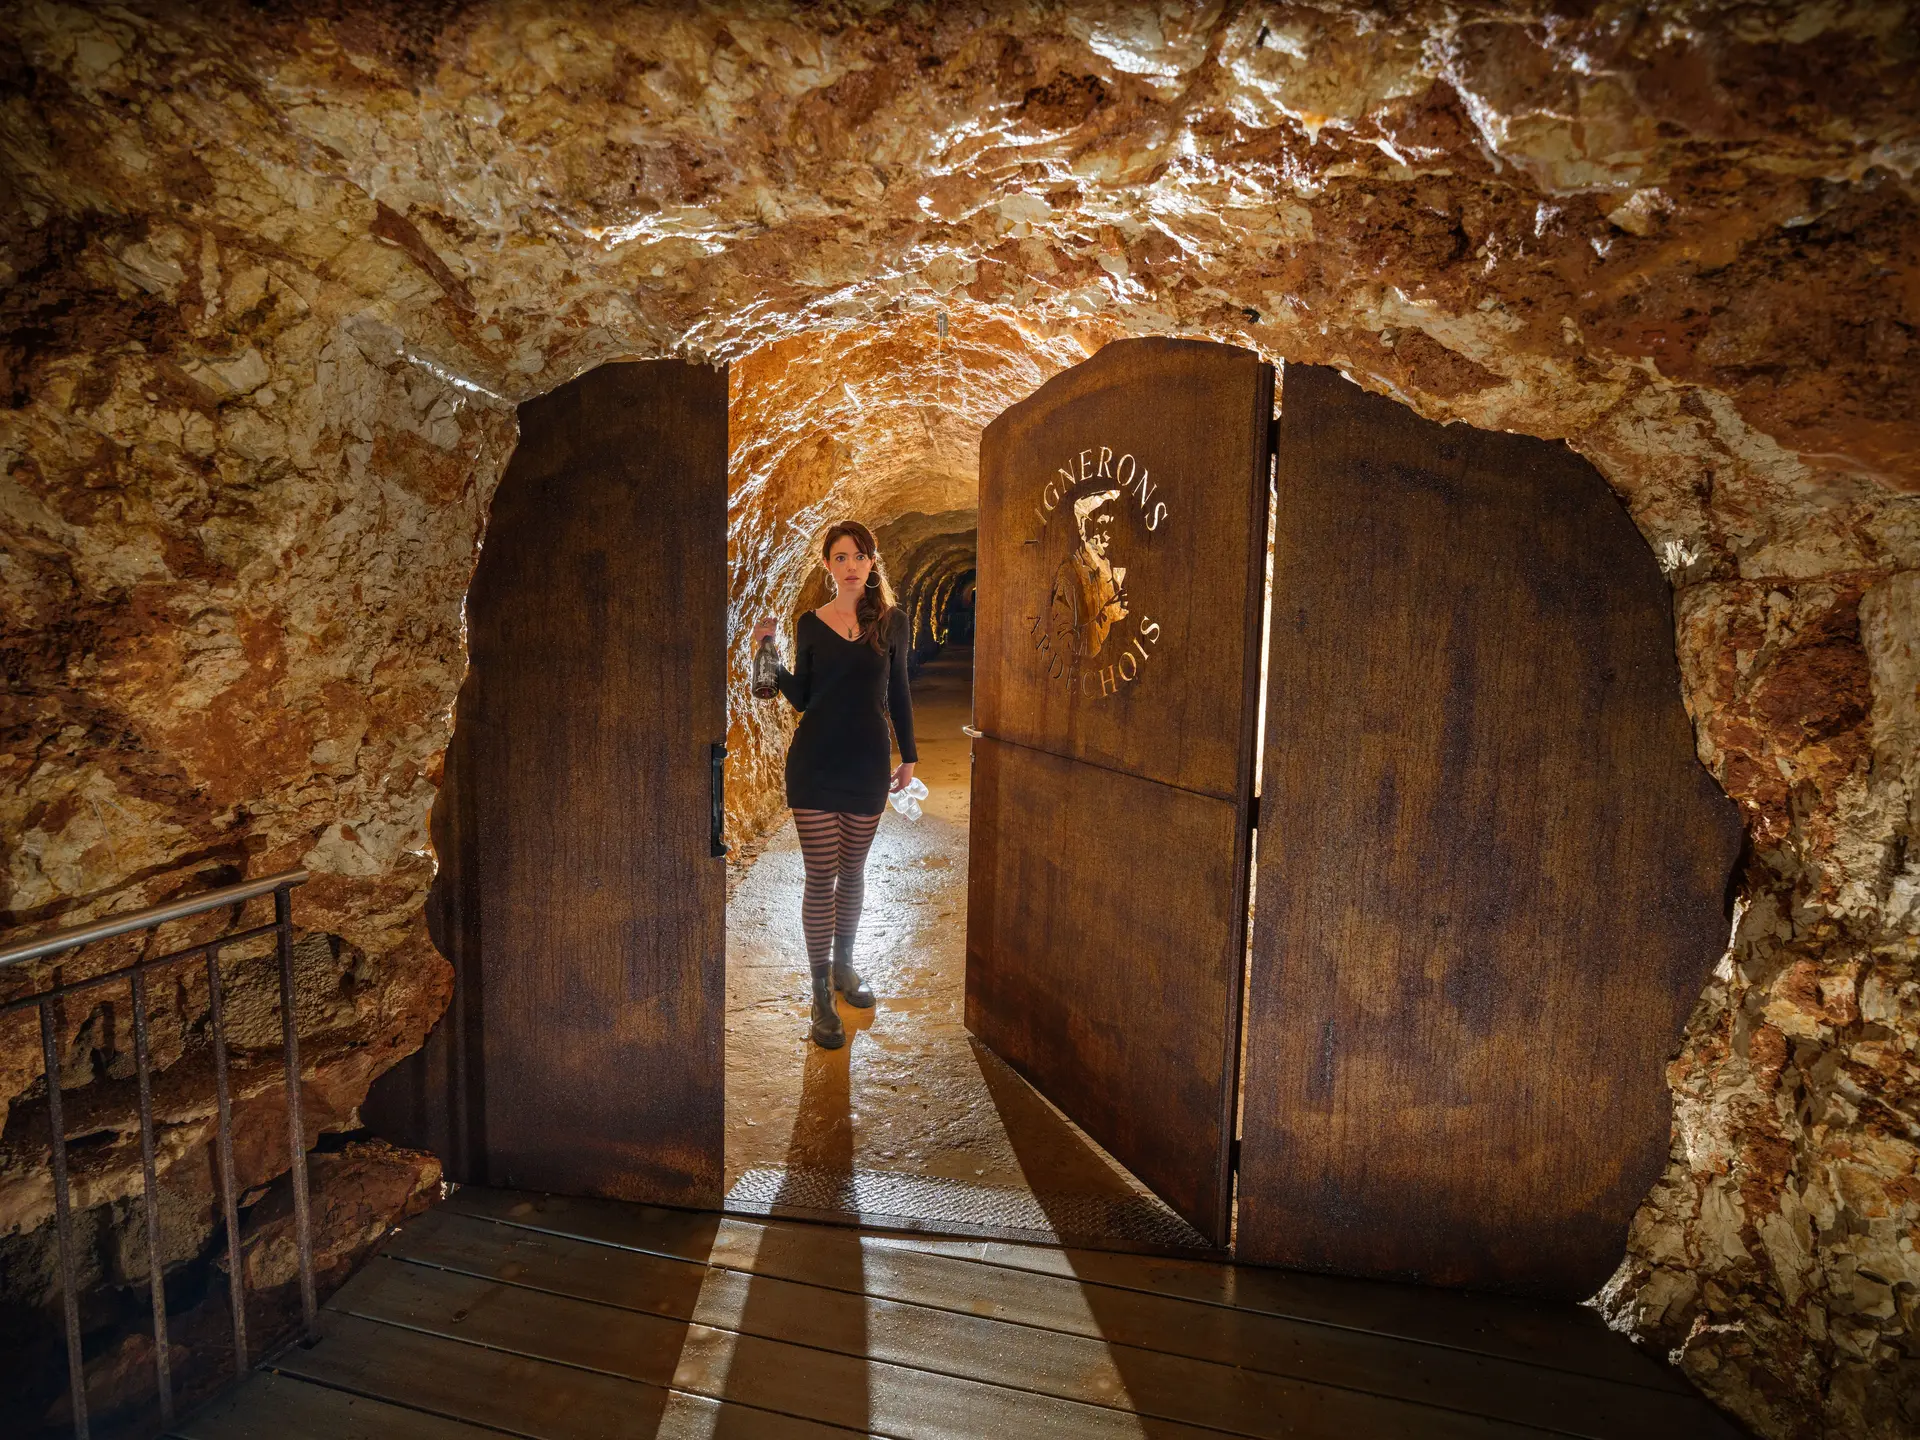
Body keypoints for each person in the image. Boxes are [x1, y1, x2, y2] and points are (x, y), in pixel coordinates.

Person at [752, 521, 918, 1049]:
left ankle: (845, 967)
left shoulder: (892, 623)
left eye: (859, 556)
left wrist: (909, 756)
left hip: (867, 763)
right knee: (820, 875)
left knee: (853, 872)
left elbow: (900, 693)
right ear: (827, 565)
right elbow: (801, 696)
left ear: (872, 564)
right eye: (840, 556)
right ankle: (821, 993)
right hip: (816, 764)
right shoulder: (809, 624)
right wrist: (767, 652)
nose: (850, 565)